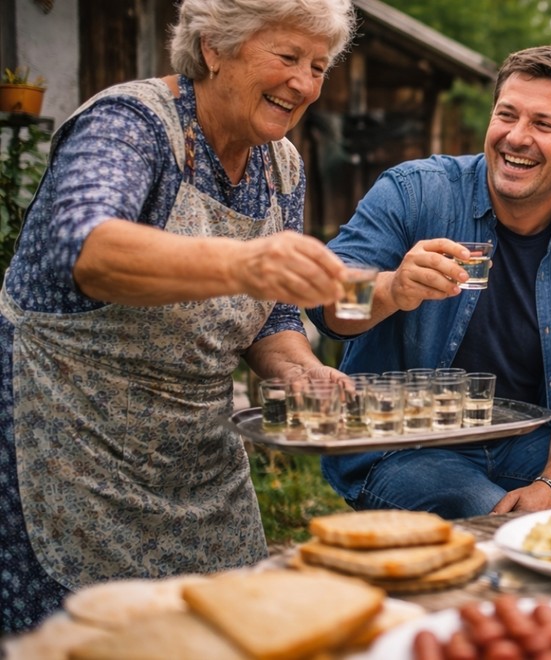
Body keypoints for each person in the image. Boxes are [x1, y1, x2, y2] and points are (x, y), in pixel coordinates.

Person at [0, 0, 357, 633]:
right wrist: (244, 263)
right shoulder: (129, 123)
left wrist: (301, 369)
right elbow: (87, 249)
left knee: (234, 630)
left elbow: (272, 317)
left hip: (199, 464)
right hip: (74, 449)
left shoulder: (282, 167)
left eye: (318, 66)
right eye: (286, 56)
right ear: (215, 47)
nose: (303, 83)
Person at [305, 45, 551, 519]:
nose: (516, 138)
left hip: (526, 439)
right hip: (400, 441)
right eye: (507, 115)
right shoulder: (414, 191)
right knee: (486, 516)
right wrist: (391, 290)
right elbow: (325, 306)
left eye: (543, 124)